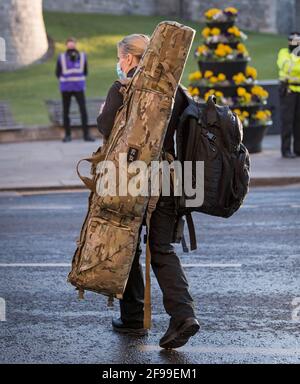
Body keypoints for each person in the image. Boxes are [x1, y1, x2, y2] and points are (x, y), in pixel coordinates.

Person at [97, 33, 200, 349]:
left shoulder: (125, 88)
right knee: (162, 249)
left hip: (131, 179)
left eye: (121, 57)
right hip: (173, 177)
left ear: (128, 58)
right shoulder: (176, 89)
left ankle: (133, 318)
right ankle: (183, 315)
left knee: (126, 242)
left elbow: (105, 127)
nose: (120, 63)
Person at [55, 37, 95, 143]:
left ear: (75, 44)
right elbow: (57, 73)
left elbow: (85, 71)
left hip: (78, 87)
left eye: (72, 44)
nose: (71, 46)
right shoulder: (61, 57)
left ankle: (86, 135)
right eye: (69, 44)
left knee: (83, 110)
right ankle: (67, 135)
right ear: (66, 45)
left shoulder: (82, 56)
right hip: (66, 88)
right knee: (66, 111)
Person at [277, 31, 300, 158]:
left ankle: (298, 149)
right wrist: (296, 57)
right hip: (288, 91)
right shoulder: (284, 53)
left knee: (299, 122)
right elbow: (286, 67)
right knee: (287, 122)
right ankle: (285, 150)